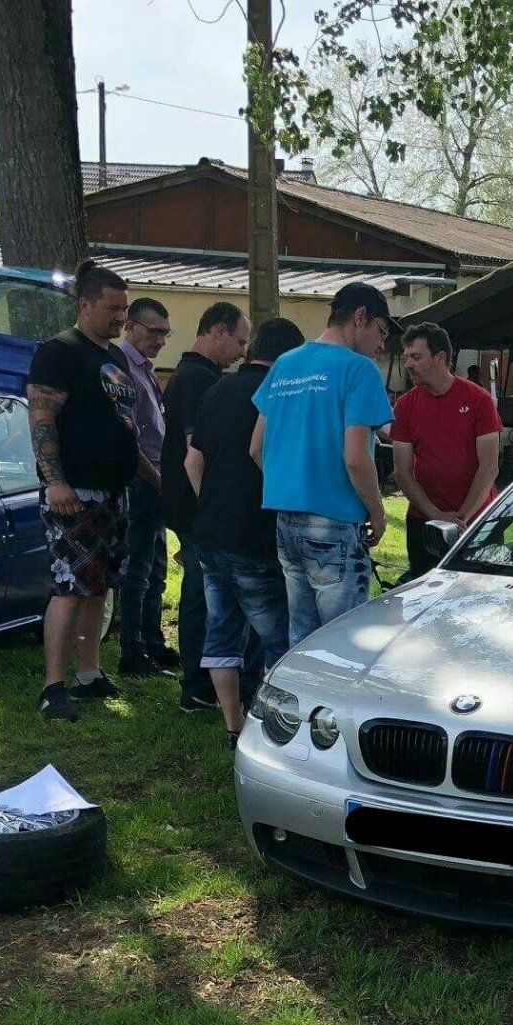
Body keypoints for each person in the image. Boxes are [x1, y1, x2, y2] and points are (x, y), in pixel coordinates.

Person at [27, 259, 151, 721]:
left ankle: (89, 674)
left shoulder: (114, 356)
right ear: (85, 304)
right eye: (113, 308)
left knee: (99, 585)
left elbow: (124, 430)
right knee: (69, 587)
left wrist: (152, 480)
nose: (122, 317)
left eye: (125, 308)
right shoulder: (59, 352)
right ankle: (53, 686)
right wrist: (55, 480)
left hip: (113, 492)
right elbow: (41, 419)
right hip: (73, 493)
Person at [250, 280, 394, 650]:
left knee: (302, 639)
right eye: (381, 332)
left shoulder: (284, 363)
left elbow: (256, 448)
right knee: (342, 644)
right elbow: (356, 457)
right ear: (360, 318)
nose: (381, 345)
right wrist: (378, 512)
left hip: (285, 519)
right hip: (334, 523)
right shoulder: (359, 370)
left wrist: (295, 482)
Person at [189, 317, 305, 743]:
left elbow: (191, 462)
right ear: (288, 357)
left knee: (221, 630)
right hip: (254, 532)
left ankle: (232, 725)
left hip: (210, 531)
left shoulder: (216, 388)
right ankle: (281, 730)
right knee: (278, 637)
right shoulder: (280, 396)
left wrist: (214, 505)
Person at [160, 300, 249, 712]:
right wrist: (210, 507)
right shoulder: (197, 378)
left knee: (202, 589)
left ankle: (198, 678)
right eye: (239, 340)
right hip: (197, 505)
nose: (242, 352)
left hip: (192, 504)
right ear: (217, 331)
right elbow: (196, 454)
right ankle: (196, 684)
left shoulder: (196, 374)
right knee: (201, 592)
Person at [391, 321, 503, 580]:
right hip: (424, 519)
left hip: (477, 518)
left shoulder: (478, 399)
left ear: (440, 358)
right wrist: (436, 515)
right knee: (423, 592)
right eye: (406, 357)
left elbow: (489, 467)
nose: (408, 364)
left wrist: (462, 517)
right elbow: (403, 472)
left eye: (416, 357)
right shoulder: (405, 405)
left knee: (478, 593)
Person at [114, 298, 175, 678]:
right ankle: (132, 650)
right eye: (154, 332)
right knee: (137, 567)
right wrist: (157, 480)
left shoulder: (145, 369)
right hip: (141, 479)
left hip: (156, 478)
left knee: (156, 565)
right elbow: (128, 438)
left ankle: (152, 640)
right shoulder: (122, 367)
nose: (160, 340)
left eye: (165, 334)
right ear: (130, 327)